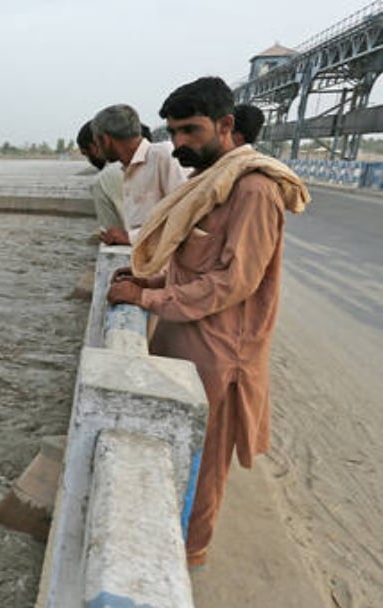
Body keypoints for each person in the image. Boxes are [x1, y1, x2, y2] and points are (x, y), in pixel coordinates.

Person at [106, 76, 310, 568]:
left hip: (218, 359)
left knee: (201, 468)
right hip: (185, 346)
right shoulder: (210, 183)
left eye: (190, 131)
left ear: (225, 124)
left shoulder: (254, 191)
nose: (178, 144)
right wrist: (147, 281)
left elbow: (232, 283)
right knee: (176, 456)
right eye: (173, 132)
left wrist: (148, 300)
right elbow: (192, 265)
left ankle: (185, 561)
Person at [91, 104, 189, 246]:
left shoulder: (164, 155)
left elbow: (187, 215)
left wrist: (130, 237)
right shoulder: (128, 169)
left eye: (96, 142)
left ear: (104, 140)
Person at [76, 121, 125, 233]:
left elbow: (110, 233)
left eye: (86, 153)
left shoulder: (104, 178)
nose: (89, 160)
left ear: (97, 145)